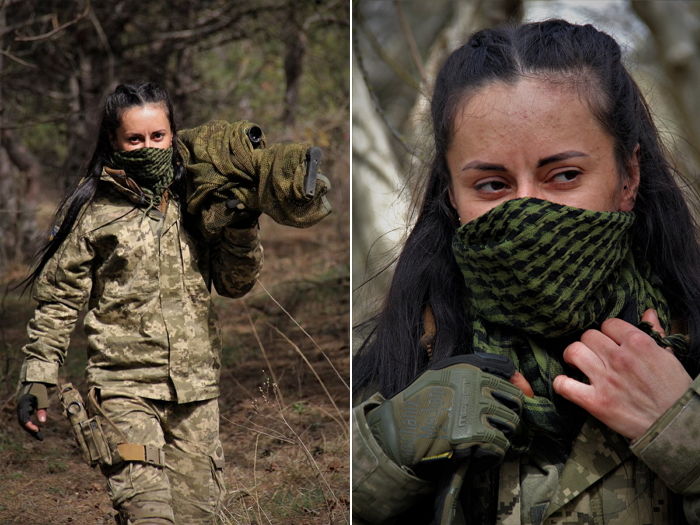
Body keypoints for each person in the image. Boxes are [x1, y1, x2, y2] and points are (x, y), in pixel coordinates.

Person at [352, 20, 700, 525]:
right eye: (492, 184)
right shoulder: (399, 359)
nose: (527, 210)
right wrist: (383, 454)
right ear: (452, 196)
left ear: (628, 176)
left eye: (564, 175)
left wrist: (684, 433)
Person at [15, 81, 329, 524]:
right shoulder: (94, 213)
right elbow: (60, 299)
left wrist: (241, 223)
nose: (148, 147)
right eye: (135, 139)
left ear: (173, 134)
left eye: (157, 136)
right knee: (150, 515)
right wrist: (38, 376)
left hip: (196, 393)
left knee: (198, 517)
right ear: (115, 142)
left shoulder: (198, 201)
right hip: (123, 390)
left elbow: (236, 284)